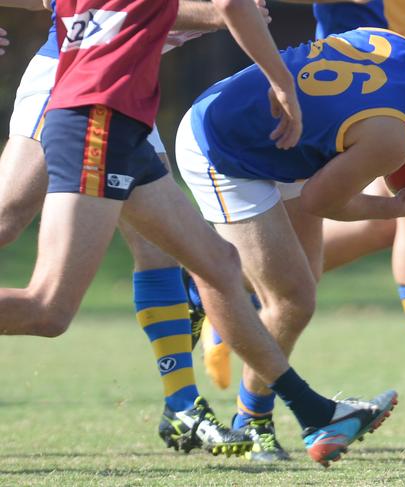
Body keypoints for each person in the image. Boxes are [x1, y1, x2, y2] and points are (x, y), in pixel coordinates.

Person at [1, 0, 396, 468]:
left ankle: (299, 412)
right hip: (91, 107)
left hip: (122, 109)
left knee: (217, 265)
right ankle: (290, 410)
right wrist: (273, 70)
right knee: (47, 307)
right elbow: (227, 7)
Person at [176, 28, 405, 461]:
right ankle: (242, 392)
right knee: (293, 300)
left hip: (258, 121)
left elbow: (334, 57)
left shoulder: (400, 45)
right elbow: (320, 201)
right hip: (223, 143)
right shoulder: (393, 138)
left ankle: (249, 402)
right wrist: (397, 208)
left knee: (301, 285)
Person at [0, 0, 267, 458]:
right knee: (6, 220)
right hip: (73, 76)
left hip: (127, 86)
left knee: (157, 248)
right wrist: (222, 14)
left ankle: (183, 405)